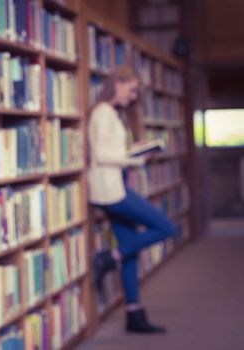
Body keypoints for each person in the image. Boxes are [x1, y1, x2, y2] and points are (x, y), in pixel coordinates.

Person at [87, 65, 175, 334]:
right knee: (165, 227)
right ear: (117, 83)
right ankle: (109, 257)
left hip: (113, 185)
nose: (134, 96)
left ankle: (134, 315)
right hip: (110, 190)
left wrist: (136, 152)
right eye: (132, 89)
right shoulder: (103, 113)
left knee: (130, 248)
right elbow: (102, 155)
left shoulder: (110, 114)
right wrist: (134, 159)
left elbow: (112, 151)